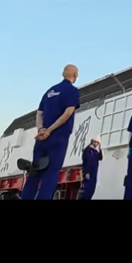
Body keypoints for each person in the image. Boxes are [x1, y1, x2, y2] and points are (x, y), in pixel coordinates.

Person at [18, 65, 81, 201]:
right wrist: (50, 130)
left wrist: (41, 130)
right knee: (51, 174)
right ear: (75, 76)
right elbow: (67, 113)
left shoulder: (49, 92)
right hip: (58, 138)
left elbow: (39, 113)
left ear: (63, 73)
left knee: (34, 173)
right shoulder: (72, 91)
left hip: (41, 139)